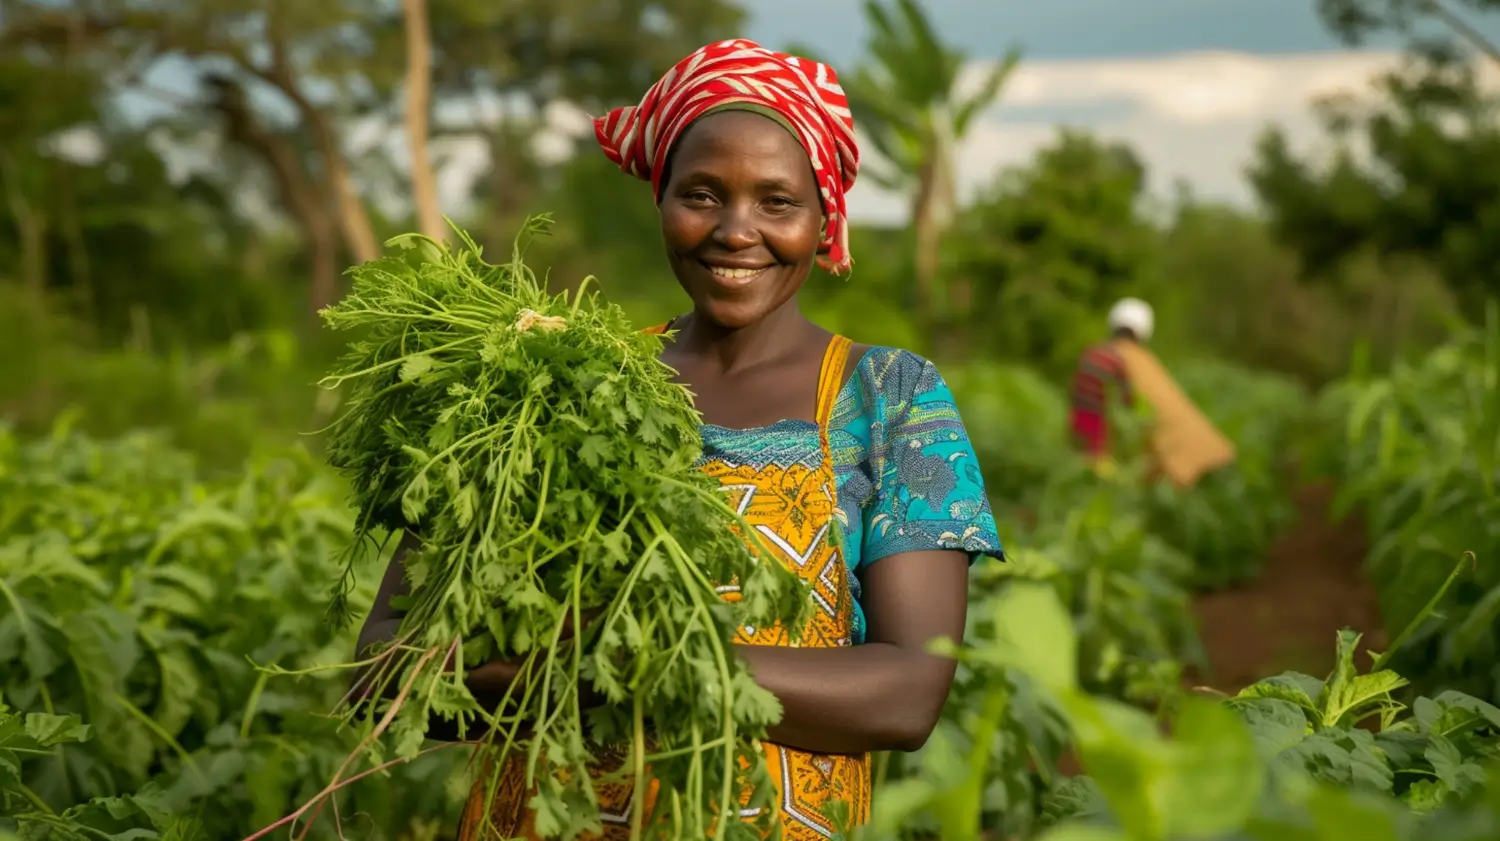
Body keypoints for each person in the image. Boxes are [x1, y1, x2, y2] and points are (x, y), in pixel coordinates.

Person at [356, 38, 1005, 841]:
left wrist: (649, 660)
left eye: (777, 201)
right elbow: (384, 663)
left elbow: (906, 695)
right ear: (661, 199)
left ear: (824, 218)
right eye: (702, 194)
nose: (736, 231)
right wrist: (594, 668)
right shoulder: (564, 382)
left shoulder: (889, 398)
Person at [1069, 297, 1236, 486]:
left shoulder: (1093, 354)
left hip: (1088, 451)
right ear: (1143, 333)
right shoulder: (1140, 362)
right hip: (1111, 458)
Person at [1069, 297, 1152, 462]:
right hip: (1098, 423)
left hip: (1077, 416)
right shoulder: (1122, 362)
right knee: (1095, 464)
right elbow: (1128, 400)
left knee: (1076, 459)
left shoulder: (1092, 351)